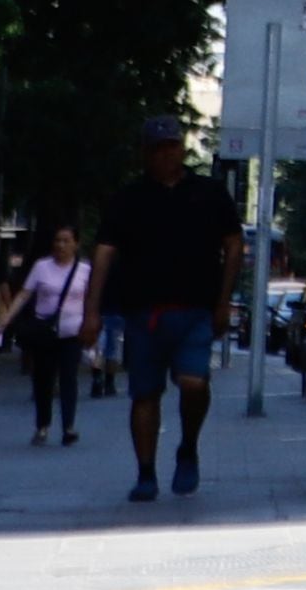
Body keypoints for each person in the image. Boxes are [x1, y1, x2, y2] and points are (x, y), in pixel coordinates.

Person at [89, 118, 244, 502]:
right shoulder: (129, 198)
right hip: (143, 313)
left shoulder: (208, 193)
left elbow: (235, 245)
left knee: (194, 383)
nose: (166, 153)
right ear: (146, 153)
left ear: (182, 148)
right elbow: (104, 252)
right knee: (145, 394)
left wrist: (224, 302)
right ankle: (146, 473)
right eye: (158, 147)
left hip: (195, 310)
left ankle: (188, 445)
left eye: (172, 146)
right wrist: (91, 310)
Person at [0, 221, 96, 448]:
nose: (61, 245)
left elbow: (91, 300)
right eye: (57, 241)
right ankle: (42, 425)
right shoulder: (42, 267)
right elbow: (24, 294)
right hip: (44, 331)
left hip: (73, 331)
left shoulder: (84, 270)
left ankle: (68, 426)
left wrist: (93, 327)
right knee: (43, 378)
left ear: (76, 244)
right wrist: (8, 316)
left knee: (68, 377)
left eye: (66, 241)